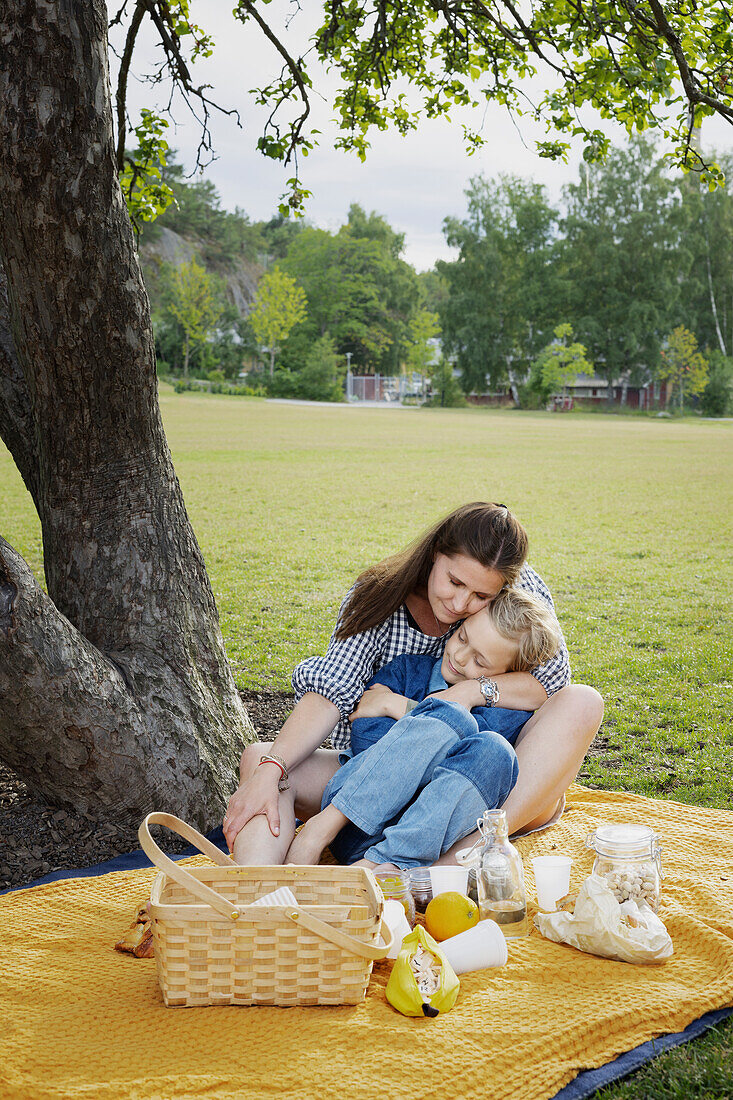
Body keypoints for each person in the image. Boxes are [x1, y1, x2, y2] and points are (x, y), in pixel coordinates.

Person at [223, 501, 603, 865]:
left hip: (481, 785)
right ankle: (259, 893)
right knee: (260, 759)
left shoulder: (520, 589)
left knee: (582, 701)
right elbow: (330, 693)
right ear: (436, 552)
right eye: (454, 581)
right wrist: (273, 768)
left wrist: (466, 693)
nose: (459, 603)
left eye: (480, 596)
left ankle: (461, 858)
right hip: (378, 781)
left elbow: (550, 684)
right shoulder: (378, 596)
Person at [285, 588, 561, 869]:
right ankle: (317, 832)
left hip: (423, 837)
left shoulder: (505, 714)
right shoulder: (406, 670)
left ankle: (379, 868)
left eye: (480, 661)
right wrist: (434, 731)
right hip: (356, 819)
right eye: (462, 637)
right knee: (457, 720)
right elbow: (366, 736)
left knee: (497, 751)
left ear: (507, 674)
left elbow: (481, 776)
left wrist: (398, 706)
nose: (460, 656)